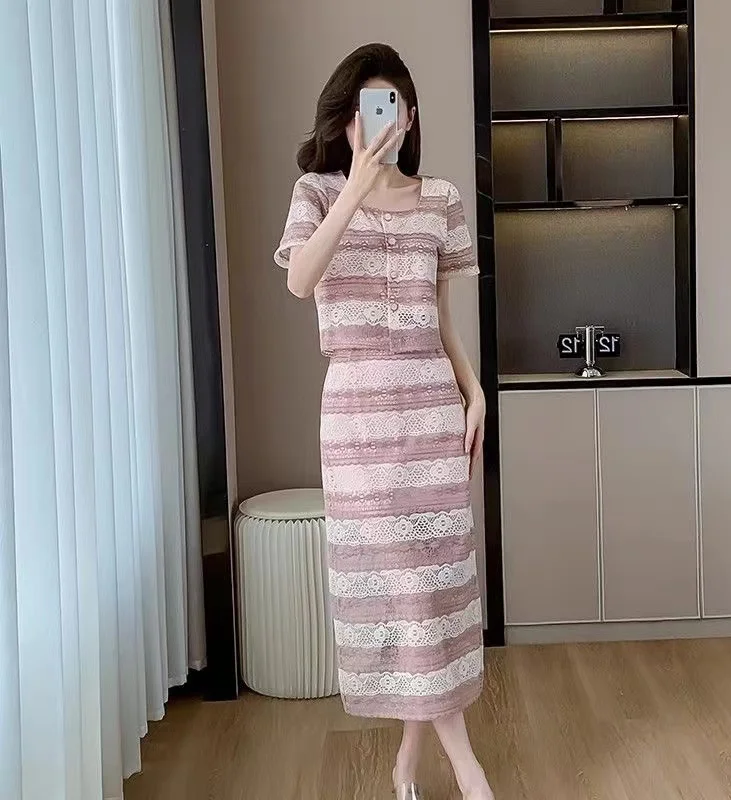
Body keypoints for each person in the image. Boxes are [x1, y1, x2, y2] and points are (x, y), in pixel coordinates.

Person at [274, 43, 494, 800]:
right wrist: (357, 189)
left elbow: (442, 318)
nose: (375, 123)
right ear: (345, 121)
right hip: (358, 421)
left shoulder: (442, 200)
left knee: (428, 591)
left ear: (409, 117)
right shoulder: (315, 192)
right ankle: (468, 770)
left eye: (389, 108)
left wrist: (474, 392)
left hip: (432, 409)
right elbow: (301, 280)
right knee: (397, 586)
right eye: (363, 110)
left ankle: (406, 762)